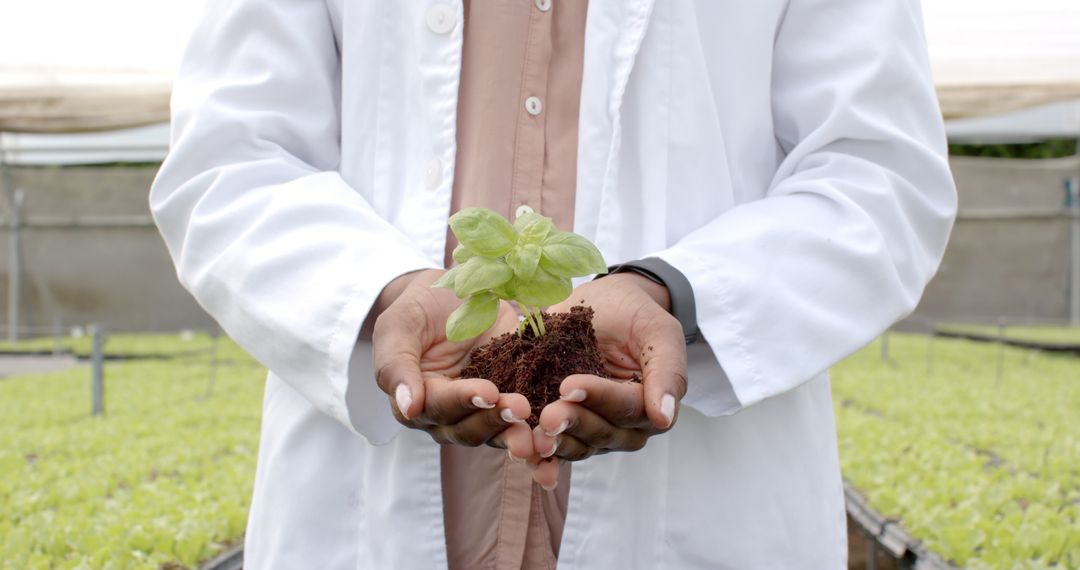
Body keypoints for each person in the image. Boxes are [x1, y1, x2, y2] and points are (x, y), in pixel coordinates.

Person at [150, 0, 956, 568]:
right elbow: (230, 163)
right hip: (365, 514)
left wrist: (671, 289)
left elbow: (877, 177)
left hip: (701, 508)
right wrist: (384, 291)